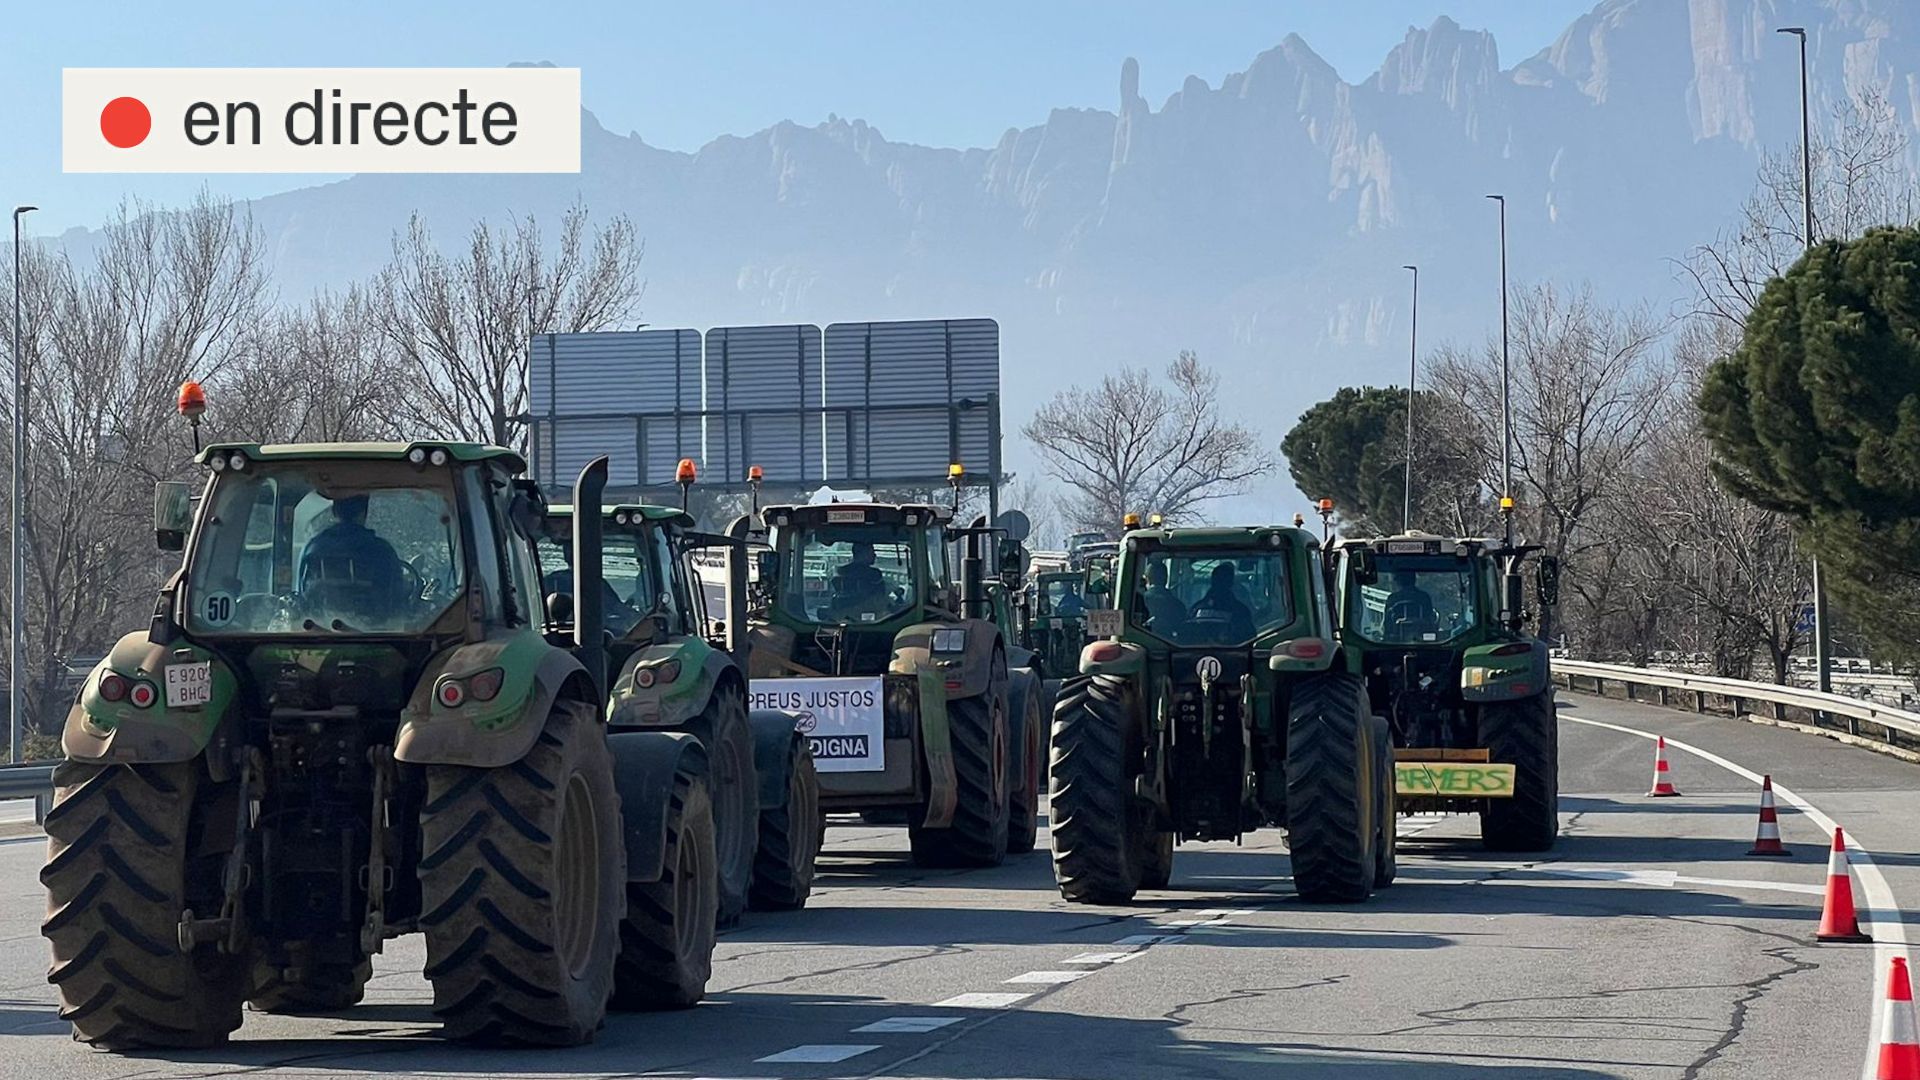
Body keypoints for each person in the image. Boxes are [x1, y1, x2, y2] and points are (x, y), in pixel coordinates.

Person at [299, 494, 405, 604]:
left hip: (320, 621)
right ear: (365, 512)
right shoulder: (382, 551)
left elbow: (302, 597)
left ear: (334, 511)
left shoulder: (312, 549)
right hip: (372, 619)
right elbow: (396, 600)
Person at [1189, 562, 1254, 641]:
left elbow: (1186, 636)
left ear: (1212, 581)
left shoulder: (1196, 609)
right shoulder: (1241, 611)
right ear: (1231, 583)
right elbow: (1249, 638)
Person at [1384, 569, 1438, 636]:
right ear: (1414, 579)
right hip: (1422, 637)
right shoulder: (1424, 596)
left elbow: (1387, 624)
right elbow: (1430, 620)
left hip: (1396, 638)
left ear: (1398, 581)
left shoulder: (1392, 598)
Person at [831, 541, 887, 606]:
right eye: (871, 552)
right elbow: (880, 596)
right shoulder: (874, 574)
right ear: (862, 554)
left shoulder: (841, 571)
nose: (874, 555)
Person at [1141, 560, 1185, 630]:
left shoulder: (1139, 602)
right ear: (1166, 579)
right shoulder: (1178, 605)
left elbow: (1118, 627)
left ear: (1147, 579)